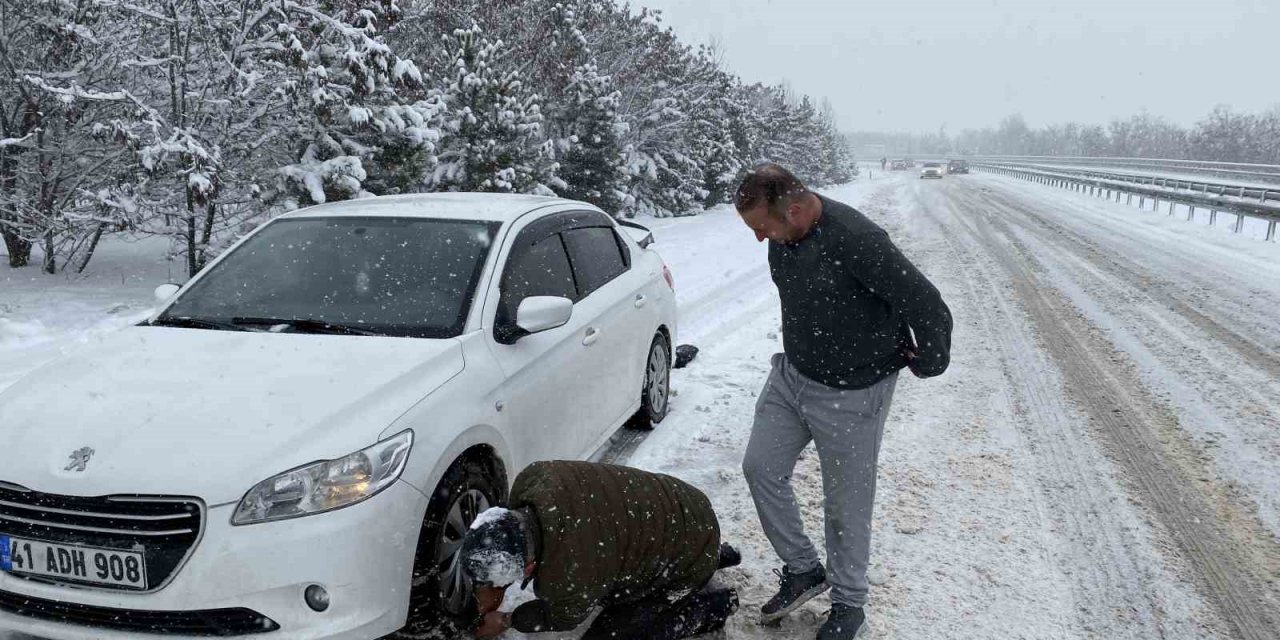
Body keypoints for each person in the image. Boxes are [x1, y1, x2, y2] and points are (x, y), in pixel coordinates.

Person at [734, 163, 952, 639]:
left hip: (854, 392)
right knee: (760, 468)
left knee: (845, 503)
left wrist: (930, 358)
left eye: (761, 228)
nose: (759, 239)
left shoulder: (858, 240)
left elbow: (926, 301)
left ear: (793, 210)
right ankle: (803, 569)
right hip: (792, 376)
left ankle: (850, 603)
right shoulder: (784, 236)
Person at [461, 460, 741, 640]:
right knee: (614, 570)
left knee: (617, 633)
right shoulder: (534, 479)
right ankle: (712, 555)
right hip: (682, 506)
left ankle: (714, 604)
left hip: (687, 552)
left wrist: (509, 619)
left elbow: (563, 616)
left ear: (529, 567)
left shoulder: (573, 571)